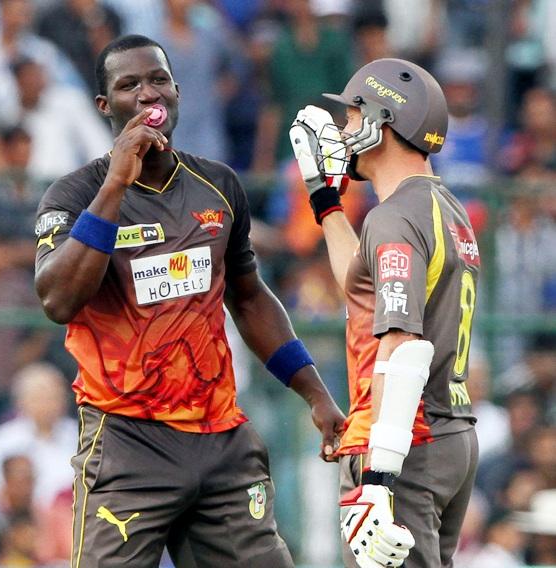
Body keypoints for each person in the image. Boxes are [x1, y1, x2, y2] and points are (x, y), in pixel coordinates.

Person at [33, 34, 344, 568]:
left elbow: (249, 299)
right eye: (129, 85)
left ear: (177, 90)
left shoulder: (218, 186)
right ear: (106, 106)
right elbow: (58, 300)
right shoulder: (75, 193)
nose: (148, 93)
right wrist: (115, 184)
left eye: (158, 79)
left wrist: (315, 393)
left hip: (220, 437)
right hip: (127, 440)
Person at [289, 58, 480, 567]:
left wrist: (377, 479)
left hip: (405, 440)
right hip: (449, 433)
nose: (344, 130)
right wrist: (325, 202)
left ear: (382, 122)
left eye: (352, 117)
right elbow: (362, 282)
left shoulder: (394, 216)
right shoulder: (443, 208)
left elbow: (402, 346)